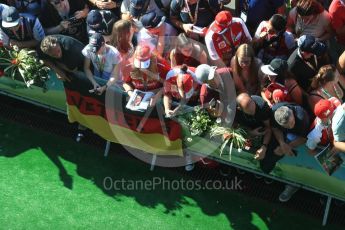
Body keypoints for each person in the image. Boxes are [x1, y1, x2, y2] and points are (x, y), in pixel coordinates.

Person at [271, 103, 310, 202]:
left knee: (289, 138)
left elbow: (304, 139)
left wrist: (287, 147)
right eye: (286, 126)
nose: (290, 126)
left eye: (292, 123)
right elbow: (275, 128)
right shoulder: (274, 111)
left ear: (292, 113)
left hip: (300, 135)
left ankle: (294, 182)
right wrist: (281, 143)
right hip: (285, 136)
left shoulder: (301, 118)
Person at [235, 93, 282, 174]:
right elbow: (235, 127)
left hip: (264, 129)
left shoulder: (262, 106)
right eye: (249, 110)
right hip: (250, 130)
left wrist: (264, 147)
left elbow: (269, 128)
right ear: (240, 108)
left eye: (252, 105)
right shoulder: (236, 112)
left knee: (268, 159)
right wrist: (250, 133)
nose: (253, 111)